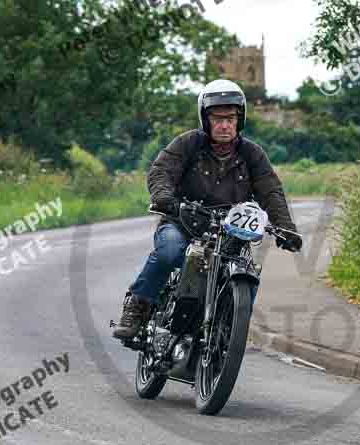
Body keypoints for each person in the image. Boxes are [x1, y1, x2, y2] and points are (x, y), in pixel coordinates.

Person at [113, 79, 302, 340]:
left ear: (240, 120)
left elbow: (271, 192)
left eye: (230, 118)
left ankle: (230, 328)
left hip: (230, 231)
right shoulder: (188, 144)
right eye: (217, 118)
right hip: (182, 221)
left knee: (245, 270)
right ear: (206, 120)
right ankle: (138, 305)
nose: (224, 125)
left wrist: (286, 228)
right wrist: (165, 197)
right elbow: (161, 171)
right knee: (169, 251)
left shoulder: (252, 154)